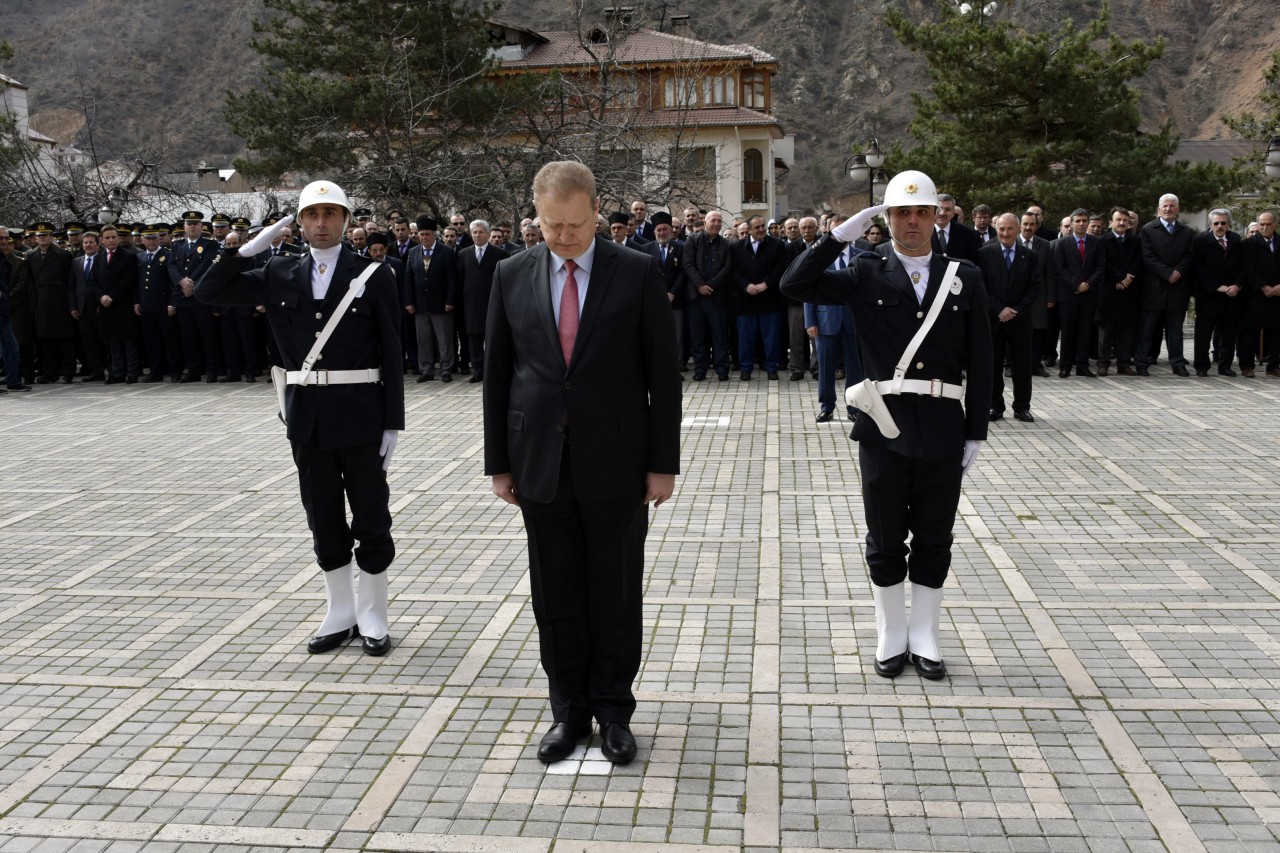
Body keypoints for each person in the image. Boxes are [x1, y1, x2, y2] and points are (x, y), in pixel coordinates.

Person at [484, 160, 680, 765]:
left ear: (598, 209)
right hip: (539, 462)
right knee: (556, 592)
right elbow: (498, 376)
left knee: (615, 591)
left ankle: (615, 711)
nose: (564, 236)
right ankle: (567, 711)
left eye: (574, 223)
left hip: (618, 463)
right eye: (551, 225)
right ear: (535, 217)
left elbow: (663, 377)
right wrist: (499, 462)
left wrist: (662, 463)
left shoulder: (638, 274)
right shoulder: (511, 275)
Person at [781, 170, 992, 681]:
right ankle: (891, 633)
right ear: (887, 219)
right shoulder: (865, 272)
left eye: (922, 212)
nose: (913, 222)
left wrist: (977, 428)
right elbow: (794, 285)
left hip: (943, 424)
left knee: (935, 536)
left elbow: (984, 355)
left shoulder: (964, 275)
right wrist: (838, 237)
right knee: (884, 537)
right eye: (902, 212)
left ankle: (925, 635)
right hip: (884, 427)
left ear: (937, 215)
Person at [196, 180, 404, 657]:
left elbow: (392, 350)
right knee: (321, 511)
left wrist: (393, 421)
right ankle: (340, 611)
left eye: (331, 214)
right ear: (299, 223)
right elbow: (209, 292)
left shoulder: (374, 274)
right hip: (306, 415)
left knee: (371, 513)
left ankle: (373, 612)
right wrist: (244, 249)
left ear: (346, 221)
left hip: (361, 412)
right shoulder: (279, 271)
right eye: (312, 215)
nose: (321, 223)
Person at [978, 213, 1042, 421]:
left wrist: (1016, 310)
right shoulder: (985, 254)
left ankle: (1022, 406)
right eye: (1001, 229)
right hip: (995, 321)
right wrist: (999, 310)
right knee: (994, 366)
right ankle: (995, 406)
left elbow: (1034, 288)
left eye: (1010, 229)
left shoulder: (1030, 256)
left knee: (1022, 367)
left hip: (1020, 320)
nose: (1005, 233)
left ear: (1018, 230)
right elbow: (982, 286)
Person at [1137, 194, 1194, 376]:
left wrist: (1177, 272)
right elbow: (1148, 257)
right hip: (1154, 289)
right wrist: (1167, 273)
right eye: (1165, 206)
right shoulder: (1148, 230)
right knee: (1147, 330)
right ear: (1159, 209)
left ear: (1178, 209)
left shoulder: (1187, 232)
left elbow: (1189, 256)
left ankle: (1177, 364)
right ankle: (1142, 363)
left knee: (1175, 331)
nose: (1168, 209)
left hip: (1177, 289)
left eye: (1172, 206)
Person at [731, 215, 788, 380]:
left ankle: (772, 368)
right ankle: (746, 369)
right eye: (757, 227)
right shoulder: (737, 247)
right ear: (748, 230)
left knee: (771, 338)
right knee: (745, 339)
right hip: (746, 301)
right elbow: (733, 271)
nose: (762, 229)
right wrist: (746, 286)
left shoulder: (777, 245)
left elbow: (780, 268)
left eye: (763, 226)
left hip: (769, 299)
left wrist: (766, 284)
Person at [1050, 209, 1104, 378]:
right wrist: (1076, 284)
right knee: (1067, 332)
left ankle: (1082, 365)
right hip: (1068, 295)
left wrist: (1087, 284)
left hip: (1089, 294)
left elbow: (1101, 267)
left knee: (1085, 331)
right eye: (1078, 221)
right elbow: (1059, 268)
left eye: (1084, 220)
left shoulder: (1097, 243)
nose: (1081, 223)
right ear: (1072, 223)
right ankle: (1065, 366)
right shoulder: (1062, 243)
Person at [1190, 209, 1244, 376]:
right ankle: (1201, 366)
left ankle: (1225, 366)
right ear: (1210, 224)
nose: (1219, 226)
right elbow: (1198, 268)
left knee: (1228, 335)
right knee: (1203, 335)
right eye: (1216, 223)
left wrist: (1237, 285)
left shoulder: (1236, 239)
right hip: (1209, 296)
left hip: (1231, 296)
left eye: (1223, 223)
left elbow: (1243, 266)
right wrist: (1215, 287)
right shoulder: (1200, 241)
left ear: (1228, 224)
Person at [404, 215, 458, 382]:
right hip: (420, 305)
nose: (424, 237)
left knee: (444, 340)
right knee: (423, 339)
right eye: (421, 234)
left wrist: (450, 301)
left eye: (427, 234)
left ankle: (446, 369)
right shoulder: (413, 252)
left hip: (441, 304)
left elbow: (452, 280)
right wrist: (409, 302)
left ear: (434, 234)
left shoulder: (446, 252)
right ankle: (426, 370)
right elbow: (409, 279)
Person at [683, 210, 733, 381]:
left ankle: (722, 369)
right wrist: (700, 284)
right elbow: (688, 264)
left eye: (719, 221)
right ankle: (700, 369)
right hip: (695, 298)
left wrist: (710, 285)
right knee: (698, 337)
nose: (717, 224)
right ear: (705, 223)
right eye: (713, 220)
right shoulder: (693, 240)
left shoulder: (726, 244)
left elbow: (727, 268)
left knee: (719, 336)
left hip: (716, 297)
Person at [457, 220, 507, 383]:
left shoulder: (499, 254)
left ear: (487, 233)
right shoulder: (464, 254)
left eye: (481, 232)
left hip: (492, 303)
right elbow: (460, 279)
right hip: (471, 304)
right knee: (474, 339)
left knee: (493, 338)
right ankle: (479, 369)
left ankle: (493, 370)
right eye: (474, 232)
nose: (477, 235)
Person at [1097, 207, 1143, 376]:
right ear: (1111, 222)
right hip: (1109, 290)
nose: (1122, 223)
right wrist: (1119, 278)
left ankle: (1123, 363)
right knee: (1107, 330)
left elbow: (1138, 262)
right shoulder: (1102, 241)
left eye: (1126, 220)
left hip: (1129, 291)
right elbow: (1103, 264)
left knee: (1126, 329)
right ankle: (1103, 363)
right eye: (1119, 220)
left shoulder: (1136, 241)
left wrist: (1127, 279)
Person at [1241, 210, 1280, 377]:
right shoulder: (1248, 244)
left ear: (1275, 225)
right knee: (1250, 331)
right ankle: (1247, 365)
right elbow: (1248, 268)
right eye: (1262, 224)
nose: (1265, 227)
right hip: (1255, 294)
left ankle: (1273, 365)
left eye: (1268, 224)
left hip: (1278, 294)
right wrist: (1263, 286)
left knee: (1277, 331)